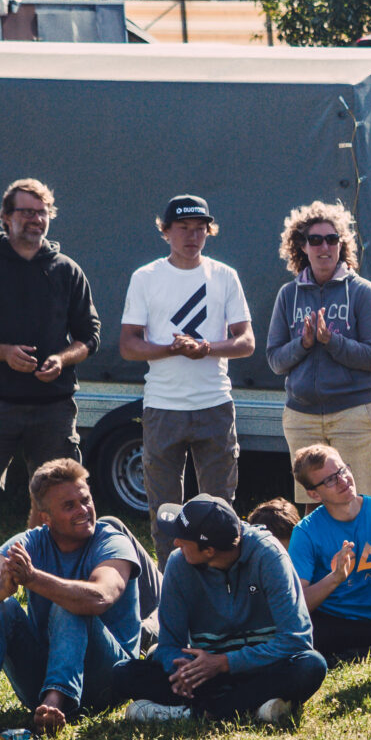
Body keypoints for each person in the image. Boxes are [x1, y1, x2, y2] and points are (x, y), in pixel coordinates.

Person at [0, 178, 101, 612]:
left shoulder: (67, 270)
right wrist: (3, 354)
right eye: (26, 211)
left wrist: (62, 360)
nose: (34, 219)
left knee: (46, 502)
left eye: (41, 211)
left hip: (53, 407)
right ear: (6, 217)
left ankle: (34, 583)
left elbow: (89, 337)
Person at [0, 459, 147, 738]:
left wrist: (33, 578)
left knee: (72, 604)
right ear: (46, 518)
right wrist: (4, 585)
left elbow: (100, 597)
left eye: (85, 500)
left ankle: (54, 704)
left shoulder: (111, 541)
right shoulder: (30, 542)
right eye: (69, 506)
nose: (83, 510)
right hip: (41, 679)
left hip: (109, 680)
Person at [118, 494, 325, 727]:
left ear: (209, 551)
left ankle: (199, 712)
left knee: (311, 666)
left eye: (183, 538)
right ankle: (255, 707)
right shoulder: (178, 563)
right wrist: (185, 668)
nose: (176, 543)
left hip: (262, 667)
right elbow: (169, 645)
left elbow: (297, 640)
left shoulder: (269, 556)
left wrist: (224, 662)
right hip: (207, 676)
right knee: (123, 673)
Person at [121, 195, 253, 551]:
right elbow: (128, 345)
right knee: (165, 511)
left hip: (214, 405)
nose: (192, 236)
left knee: (220, 510)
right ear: (165, 231)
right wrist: (171, 349)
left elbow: (246, 342)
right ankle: (171, 589)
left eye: (200, 229)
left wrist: (207, 348)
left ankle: (220, 588)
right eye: (183, 229)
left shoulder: (225, 276)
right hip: (163, 407)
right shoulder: (145, 277)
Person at [266, 201, 371, 507]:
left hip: (353, 415)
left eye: (332, 239)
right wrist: (304, 344)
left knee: (356, 502)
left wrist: (331, 341)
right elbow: (276, 361)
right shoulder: (288, 294)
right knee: (311, 506)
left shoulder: (362, 291)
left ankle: (361, 557)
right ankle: (317, 558)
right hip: (301, 416)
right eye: (315, 240)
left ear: (341, 245)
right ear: (302, 246)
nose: (324, 247)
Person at [284, 444, 371, 662]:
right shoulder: (305, 532)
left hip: (370, 627)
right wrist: (335, 578)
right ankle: (364, 652)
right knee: (300, 636)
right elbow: (298, 606)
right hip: (325, 623)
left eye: (342, 470)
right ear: (313, 493)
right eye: (330, 479)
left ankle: (352, 655)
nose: (343, 480)